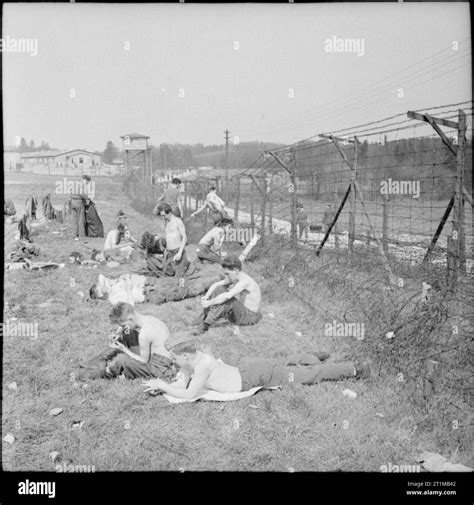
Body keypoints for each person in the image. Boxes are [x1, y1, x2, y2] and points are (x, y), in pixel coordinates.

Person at [141, 333, 372, 399]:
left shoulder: (201, 364)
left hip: (256, 375)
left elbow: (190, 393)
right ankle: (311, 355)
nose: (172, 360)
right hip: (249, 369)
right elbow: (183, 379)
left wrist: (162, 385)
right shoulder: (191, 359)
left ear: (185, 355)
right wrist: (165, 386)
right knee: (289, 370)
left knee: (309, 376)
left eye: (174, 356)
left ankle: (356, 368)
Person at [103, 302, 176, 380]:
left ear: (130, 319)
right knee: (129, 333)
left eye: (123, 325)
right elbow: (128, 327)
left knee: (121, 359)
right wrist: (119, 332)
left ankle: (107, 372)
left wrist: (124, 349)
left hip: (160, 366)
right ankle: (119, 371)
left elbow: (144, 361)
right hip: (168, 357)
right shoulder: (149, 319)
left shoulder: (144, 333)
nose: (123, 327)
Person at [89, 263, 222, 306]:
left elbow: (125, 280)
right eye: (104, 285)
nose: (107, 283)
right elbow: (130, 304)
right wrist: (129, 287)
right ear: (103, 293)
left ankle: (211, 280)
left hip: (149, 285)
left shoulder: (113, 288)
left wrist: (124, 279)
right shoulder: (114, 300)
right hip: (151, 294)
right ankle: (214, 281)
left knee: (180, 282)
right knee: (184, 291)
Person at [193, 255, 261, 334]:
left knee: (228, 301)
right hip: (241, 313)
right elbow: (216, 285)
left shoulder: (245, 281)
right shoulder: (236, 276)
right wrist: (206, 296)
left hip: (250, 316)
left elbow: (227, 296)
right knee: (219, 288)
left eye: (227, 273)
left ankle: (205, 325)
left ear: (235, 270)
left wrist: (209, 303)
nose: (226, 276)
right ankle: (204, 317)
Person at [156, 203, 190, 277]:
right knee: (167, 275)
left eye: (164, 215)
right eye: (161, 216)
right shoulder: (166, 222)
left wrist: (180, 252)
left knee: (180, 277)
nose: (162, 218)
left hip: (178, 252)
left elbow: (184, 237)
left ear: (170, 213)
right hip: (170, 253)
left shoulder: (178, 221)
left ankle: (183, 287)